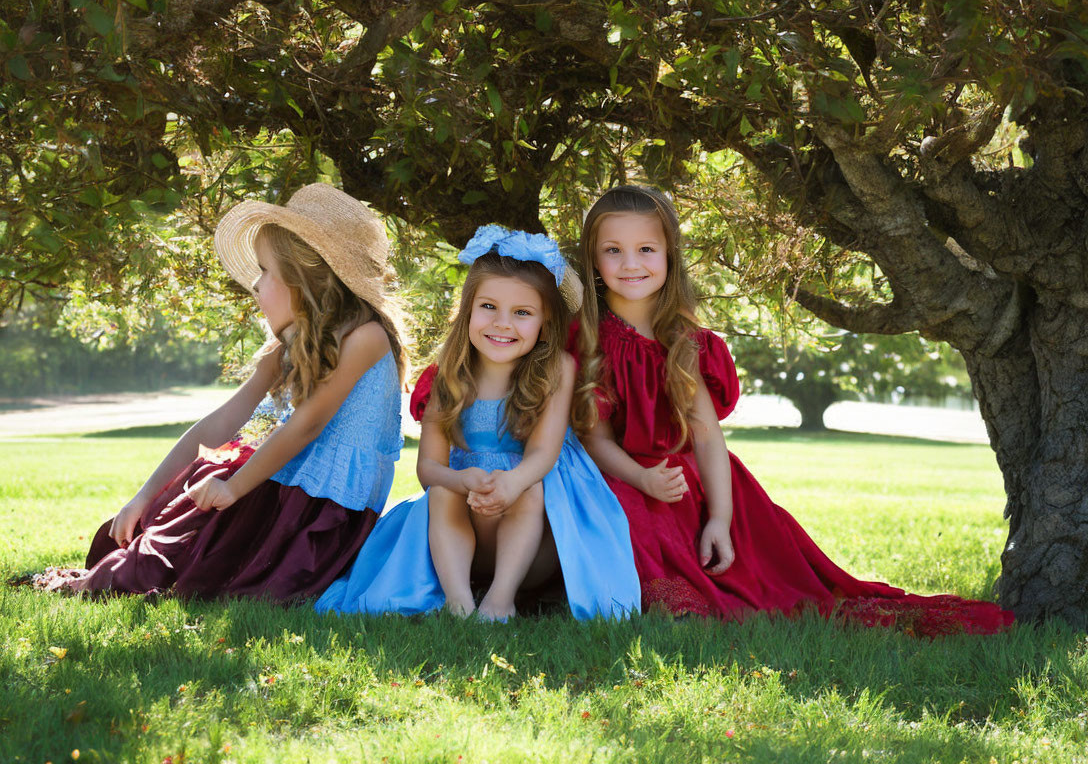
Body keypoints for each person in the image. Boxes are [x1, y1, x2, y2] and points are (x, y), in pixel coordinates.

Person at [572, 184, 1013, 635]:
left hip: (696, 483)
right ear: (593, 260)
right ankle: (674, 600)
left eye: (646, 248)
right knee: (628, 508)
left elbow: (707, 436)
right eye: (613, 250)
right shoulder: (589, 339)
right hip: (624, 476)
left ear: (669, 255)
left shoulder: (685, 343)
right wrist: (641, 477)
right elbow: (595, 438)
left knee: (784, 589)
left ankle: (706, 573)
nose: (630, 263)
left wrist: (721, 518)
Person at [37, 183, 407, 602]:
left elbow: (308, 425)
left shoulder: (367, 338)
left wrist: (234, 488)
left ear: (306, 282)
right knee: (155, 541)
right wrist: (145, 496)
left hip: (319, 510)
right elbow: (223, 422)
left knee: (203, 564)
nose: (255, 284)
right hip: (276, 487)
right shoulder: (285, 347)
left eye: (266, 271)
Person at [316, 226, 640, 621]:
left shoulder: (556, 368)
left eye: (522, 313)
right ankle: (459, 602)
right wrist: (461, 480)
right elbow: (428, 468)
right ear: (468, 310)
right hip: (461, 533)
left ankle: (501, 600)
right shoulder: (446, 377)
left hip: (531, 538)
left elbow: (543, 452)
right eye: (488, 307)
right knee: (439, 492)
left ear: (545, 322)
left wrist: (513, 481)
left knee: (532, 489)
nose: (502, 323)